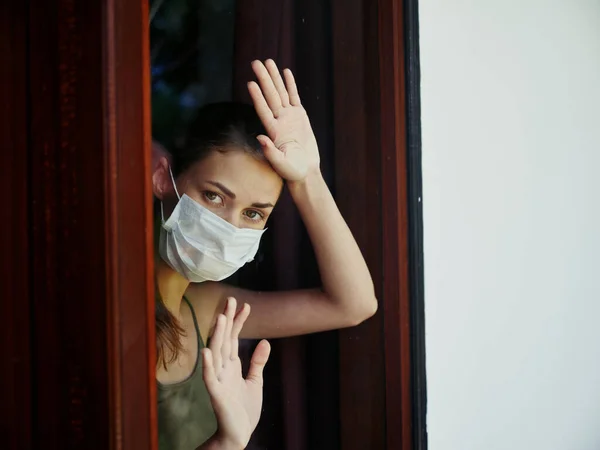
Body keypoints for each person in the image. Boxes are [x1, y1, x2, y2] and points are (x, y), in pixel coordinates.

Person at [153, 60, 378, 449]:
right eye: (214, 196)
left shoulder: (207, 308)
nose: (229, 227)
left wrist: (307, 178)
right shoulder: (116, 311)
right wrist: (228, 442)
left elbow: (353, 304)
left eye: (254, 213)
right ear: (164, 180)